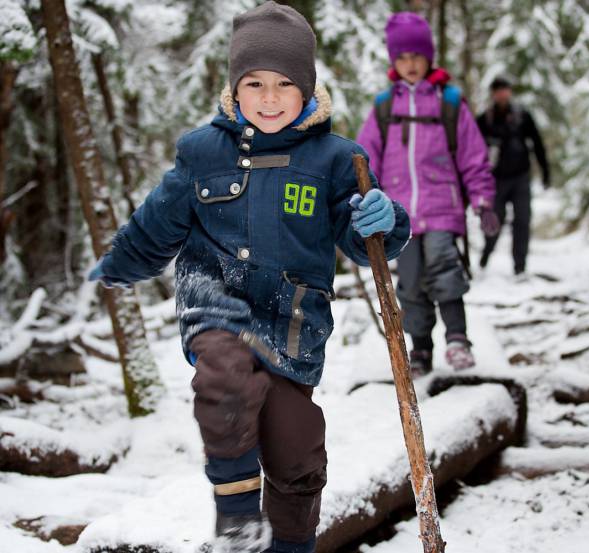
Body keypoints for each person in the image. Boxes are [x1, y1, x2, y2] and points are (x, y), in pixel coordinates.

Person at [87, 4, 410, 552]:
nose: (268, 97)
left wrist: (384, 222)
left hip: (292, 324)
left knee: (298, 448)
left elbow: (362, 245)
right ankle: (237, 516)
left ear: (307, 90)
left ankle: (289, 544)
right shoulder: (201, 153)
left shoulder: (336, 160)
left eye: (285, 84)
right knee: (226, 377)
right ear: (234, 88)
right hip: (215, 301)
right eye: (254, 83)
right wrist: (118, 264)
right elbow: (157, 225)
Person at [357, 12, 498, 375]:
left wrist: (483, 201)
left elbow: (472, 155)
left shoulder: (448, 102)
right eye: (402, 58)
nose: (411, 64)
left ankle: (457, 339)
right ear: (394, 61)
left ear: (429, 57)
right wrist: (358, 199)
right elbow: (363, 158)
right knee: (411, 280)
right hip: (399, 214)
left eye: (417, 57)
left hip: (442, 207)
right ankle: (421, 349)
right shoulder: (385, 107)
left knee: (443, 266)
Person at [476, 76, 550, 276]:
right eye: (498, 90)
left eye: (505, 89)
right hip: (496, 180)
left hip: (520, 178)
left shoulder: (522, 116)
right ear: (493, 93)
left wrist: (545, 172)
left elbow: (537, 143)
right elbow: (473, 151)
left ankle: (520, 267)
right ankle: (485, 255)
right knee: (494, 221)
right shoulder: (485, 119)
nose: (502, 94)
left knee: (522, 221)